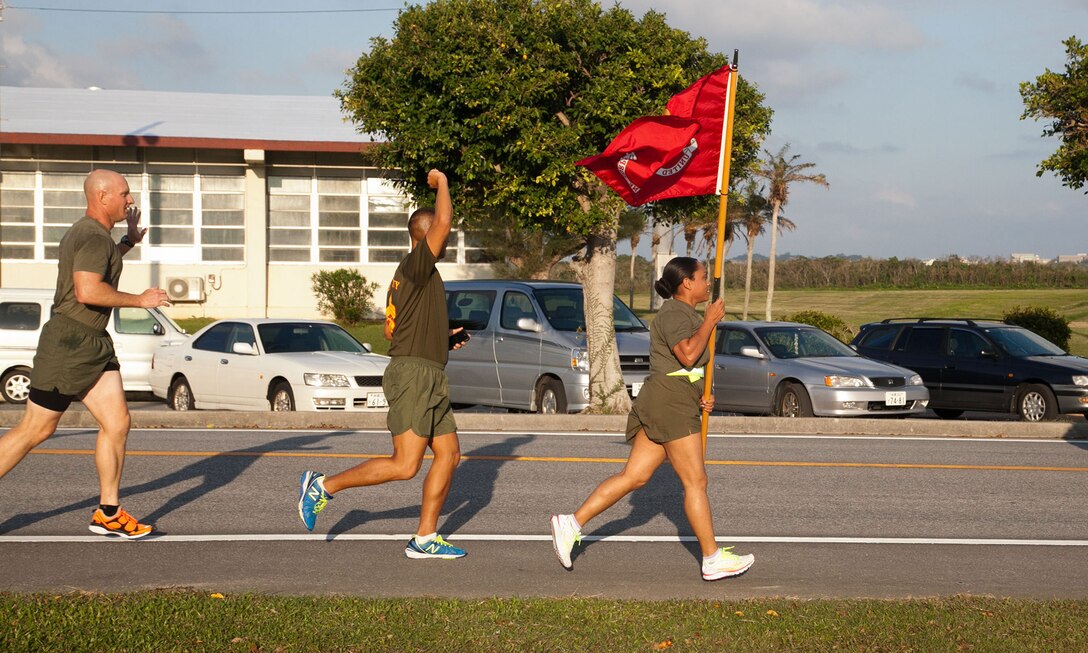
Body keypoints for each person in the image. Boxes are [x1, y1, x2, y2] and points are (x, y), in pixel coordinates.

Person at [297, 169, 471, 559]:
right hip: (413, 376)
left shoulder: (415, 277)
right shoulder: (417, 265)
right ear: (425, 236)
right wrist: (442, 180)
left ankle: (425, 538)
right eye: (441, 236)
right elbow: (442, 220)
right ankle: (323, 486)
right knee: (406, 464)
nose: (446, 239)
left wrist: (442, 340)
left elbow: (395, 332)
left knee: (450, 455)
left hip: (428, 372)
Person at [549, 256, 754, 580]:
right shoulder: (674, 312)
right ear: (686, 282)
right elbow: (686, 354)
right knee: (696, 481)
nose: (706, 284)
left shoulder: (685, 313)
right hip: (670, 403)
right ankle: (712, 558)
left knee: (635, 476)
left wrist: (701, 392)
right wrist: (710, 321)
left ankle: (570, 523)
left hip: (670, 398)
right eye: (702, 277)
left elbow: (688, 366)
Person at [0, 169, 170, 539]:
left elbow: (100, 265)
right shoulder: (92, 237)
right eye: (124, 194)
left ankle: (108, 512)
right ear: (103, 196)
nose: (130, 199)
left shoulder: (94, 235)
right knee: (36, 429)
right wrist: (140, 300)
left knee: (117, 422)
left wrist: (128, 242)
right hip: (70, 345)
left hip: (93, 343)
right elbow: (87, 291)